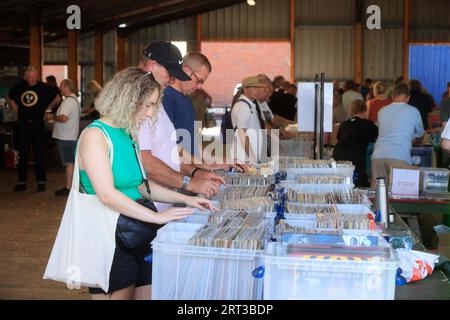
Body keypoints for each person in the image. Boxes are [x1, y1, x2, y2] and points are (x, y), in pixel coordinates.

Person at [78, 67, 214, 300]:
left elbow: (142, 186)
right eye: (148, 105)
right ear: (128, 99)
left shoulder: (129, 134)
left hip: (135, 229)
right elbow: (107, 194)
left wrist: (187, 198)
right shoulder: (95, 136)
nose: (151, 114)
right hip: (107, 235)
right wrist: (157, 217)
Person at [136, 42, 227, 213]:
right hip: (146, 207)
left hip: (161, 201)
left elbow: (172, 149)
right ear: (151, 65)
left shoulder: (157, 98)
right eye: (169, 73)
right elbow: (145, 161)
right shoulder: (142, 104)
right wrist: (190, 181)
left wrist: (197, 171)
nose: (171, 79)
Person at [6, 66, 62, 192]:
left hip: (38, 124)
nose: (32, 79)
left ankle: (41, 182)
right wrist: (16, 109)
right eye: (29, 77)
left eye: (34, 77)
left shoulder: (43, 87)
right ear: (26, 76)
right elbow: (9, 97)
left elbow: (58, 98)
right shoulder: (19, 86)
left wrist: (47, 110)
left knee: (40, 154)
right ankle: (22, 182)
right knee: (23, 154)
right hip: (23, 125)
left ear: (37, 76)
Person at [371, 83, 425, 187]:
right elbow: (420, 135)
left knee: (378, 194)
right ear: (408, 98)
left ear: (392, 96)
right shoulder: (413, 111)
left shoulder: (382, 111)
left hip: (378, 156)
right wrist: (416, 142)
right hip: (399, 155)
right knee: (399, 194)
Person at [333, 100, 378, 187]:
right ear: (365, 111)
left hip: (338, 155)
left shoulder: (344, 124)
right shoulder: (368, 124)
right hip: (355, 157)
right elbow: (379, 136)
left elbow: (339, 138)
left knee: (339, 183)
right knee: (356, 185)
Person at [51, 79, 81, 196]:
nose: (59, 89)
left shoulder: (68, 101)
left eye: (61, 87)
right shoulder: (74, 100)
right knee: (71, 163)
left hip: (66, 136)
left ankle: (68, 187)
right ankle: (71, 186)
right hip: (70, 135)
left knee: (69, 163)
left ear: (66, 87)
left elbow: (64, 118)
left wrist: (52, 117)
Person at [231, 76, 266, 163]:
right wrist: (252, 157)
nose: (258, 90)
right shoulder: (243, 106)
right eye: (254, 87)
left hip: (247, 157)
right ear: (245, 89)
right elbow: (241, 133)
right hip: (244, 158)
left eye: (259, 87)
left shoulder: (249, 105)